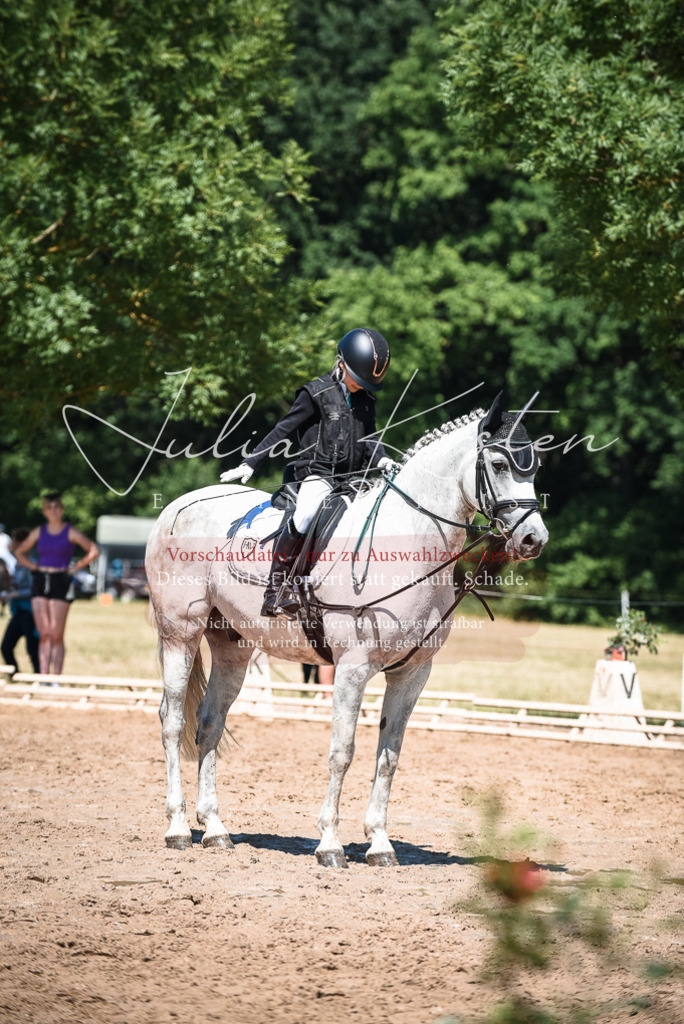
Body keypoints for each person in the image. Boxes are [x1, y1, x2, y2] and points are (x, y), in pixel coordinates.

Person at [221, 328, 398, 617]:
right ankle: (276, 591)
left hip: (354, 481)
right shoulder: (314, 393)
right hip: (318, 476)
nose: (359, 386)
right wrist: (250, 463)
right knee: (304, 515)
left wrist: (383, 460)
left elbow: (371, 438)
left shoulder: (366, 399)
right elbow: (283, 429)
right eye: (357, 378)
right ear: (341, 364)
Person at [14, 493, 100, 675]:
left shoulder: (70, 531)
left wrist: (75, 567)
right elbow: (20, 551)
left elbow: (93, 550)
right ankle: (44, 677)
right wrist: (33, 566)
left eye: (56, 507)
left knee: (56, 634)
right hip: (40, 580)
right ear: (45, 511)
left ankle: (56, 679)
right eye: (49, 507)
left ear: (61, 509)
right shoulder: (39, 531)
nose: (53, 511)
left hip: (60, 580)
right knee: (43, 633)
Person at [1, 528, 40, 672]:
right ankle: (15, 675)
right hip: (18, 612)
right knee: (6, 647)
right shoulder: (18, 564)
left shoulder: (32, 564)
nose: (11, 543)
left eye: (14, 540)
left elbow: (33, 589)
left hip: (30, 612)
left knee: (33, 649)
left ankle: (41, 679)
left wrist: (13, 594)